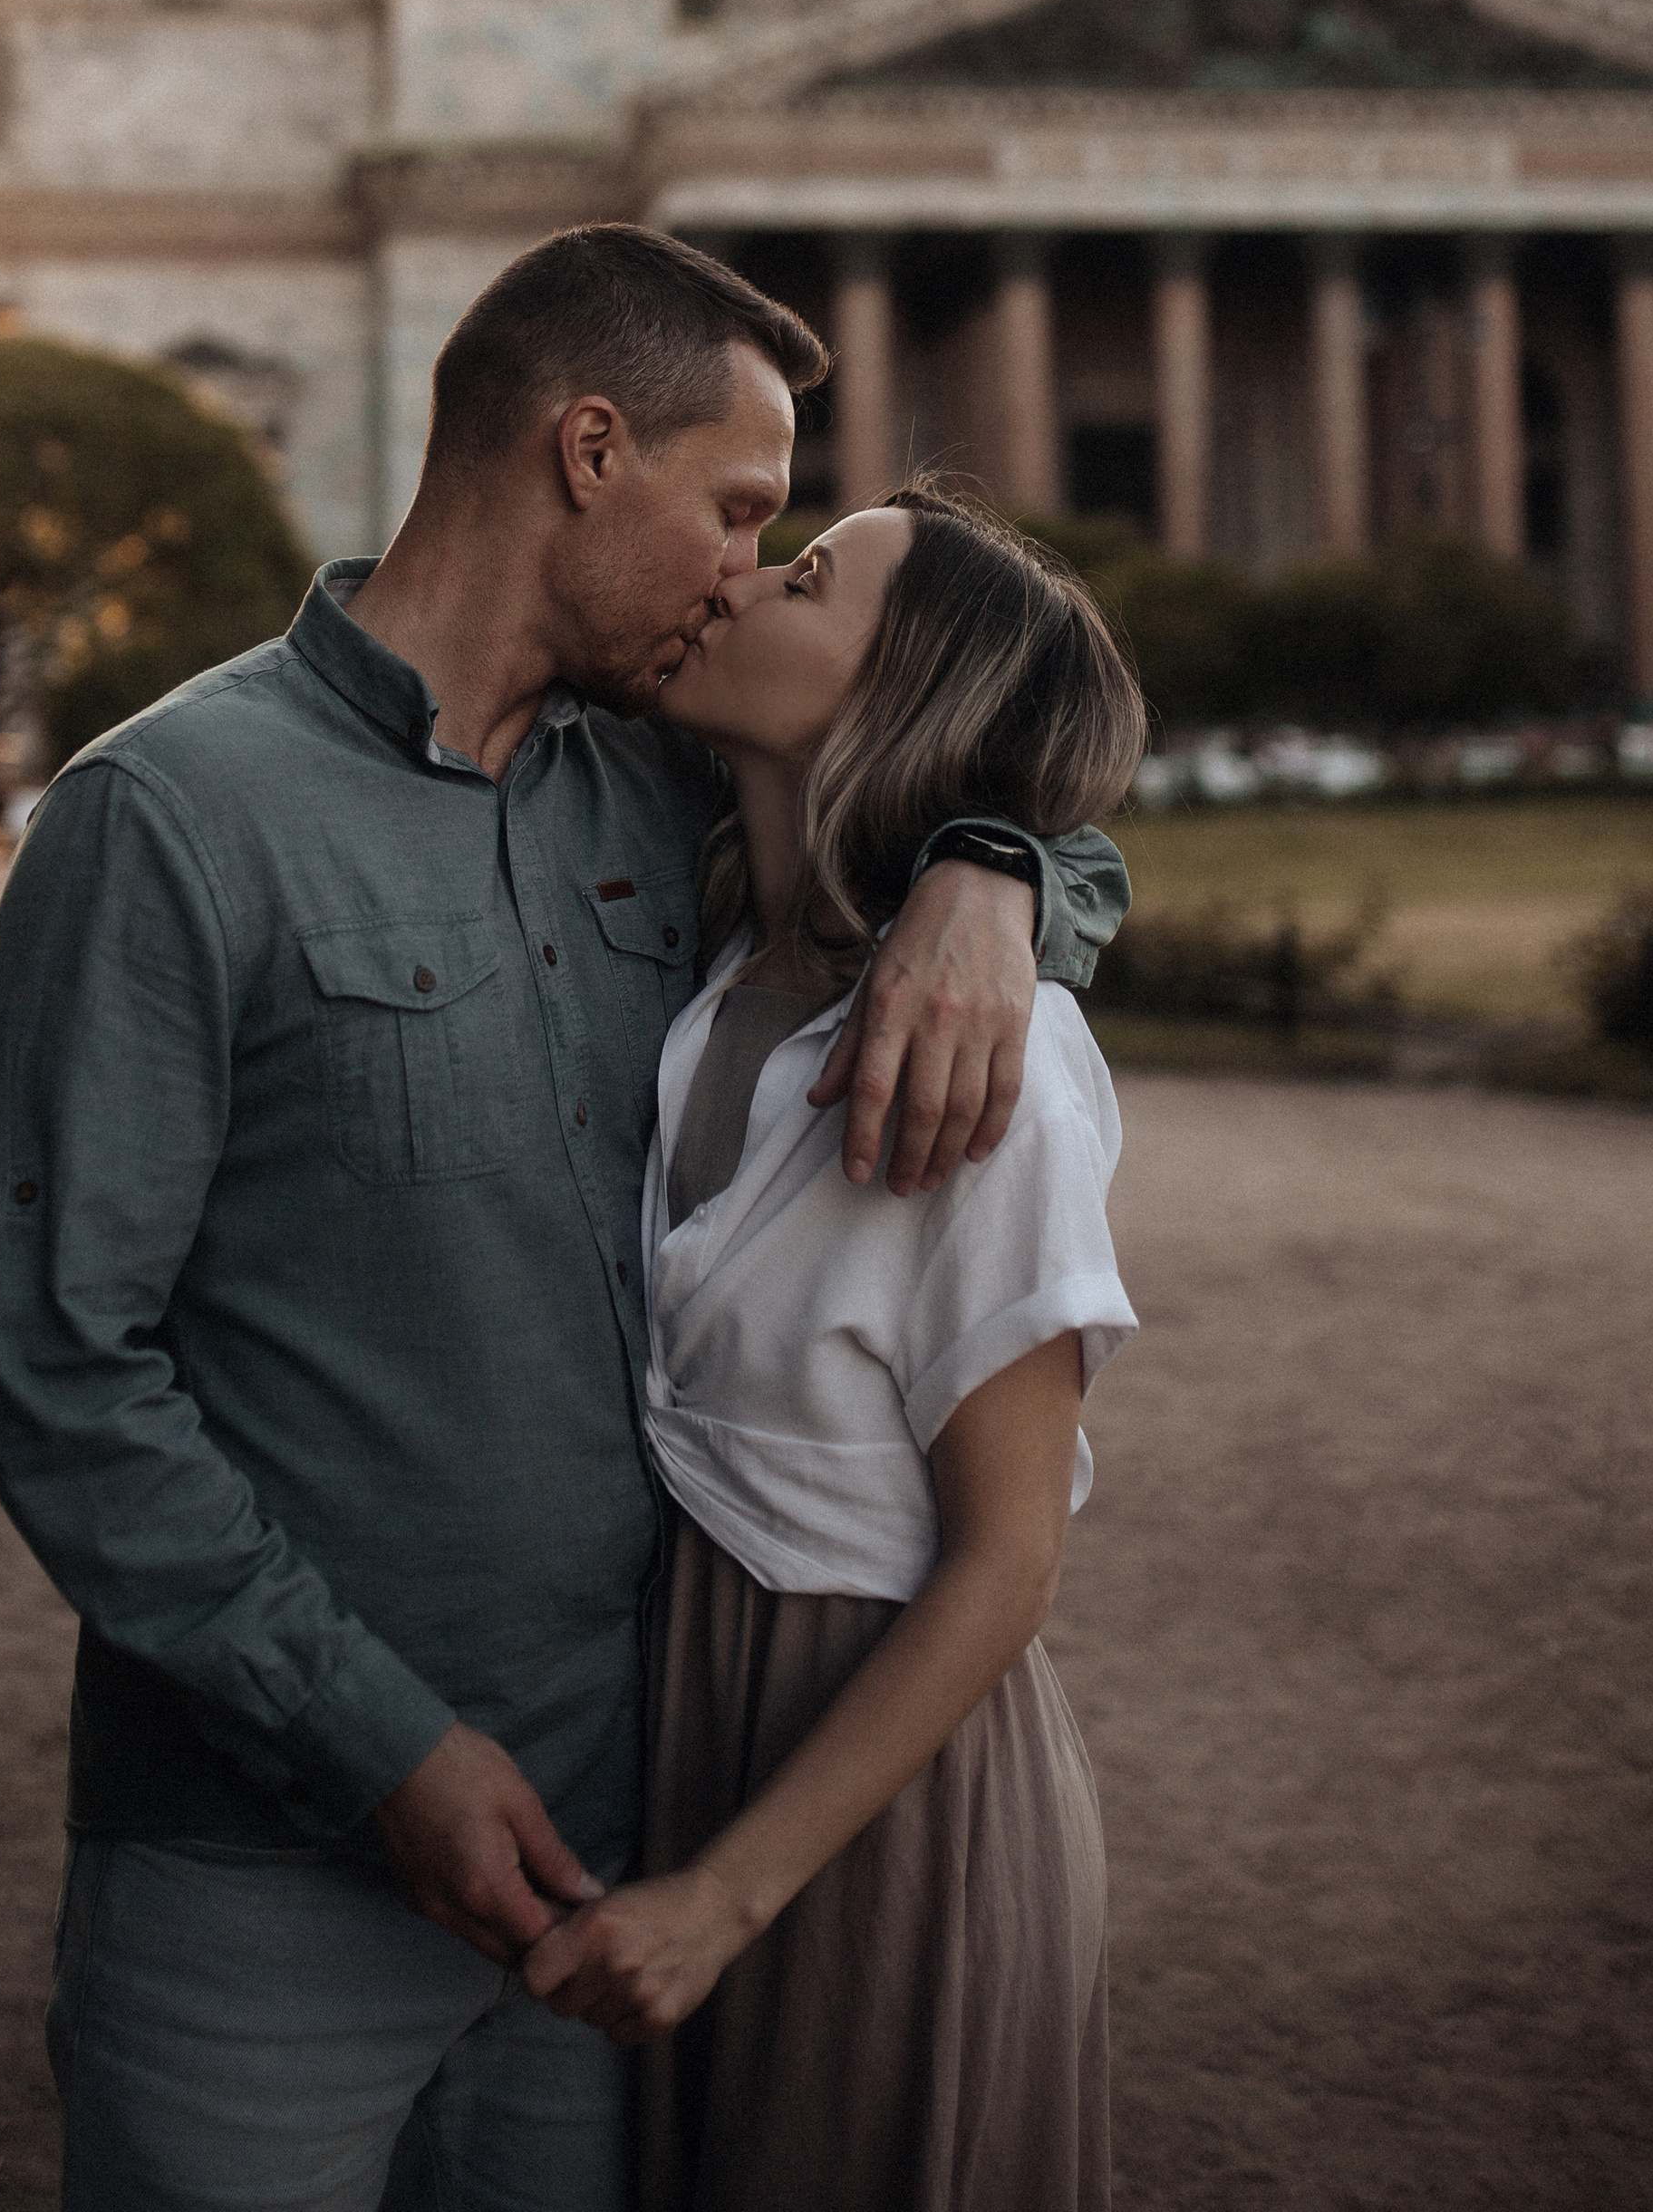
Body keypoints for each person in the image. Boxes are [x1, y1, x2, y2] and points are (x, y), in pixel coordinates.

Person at [0, 227, 1132, 2212]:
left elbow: (985, 751)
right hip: (259, 1867)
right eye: (740, 510)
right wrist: (376, 1747)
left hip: (622, 1826)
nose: (747, 568)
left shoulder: (653, 785)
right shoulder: (166, 814)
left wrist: (997, 875)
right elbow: (44, 1364)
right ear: (589, 451)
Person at [522, 483, 1147, 2212]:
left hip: (883, 1803)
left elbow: (1011, 1560)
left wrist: (723, 1894)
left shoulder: (995, 1075)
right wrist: (998, 860)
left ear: (903, 697)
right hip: (692, 1742)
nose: (733, 575)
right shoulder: (715, 972)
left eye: (800, 578)